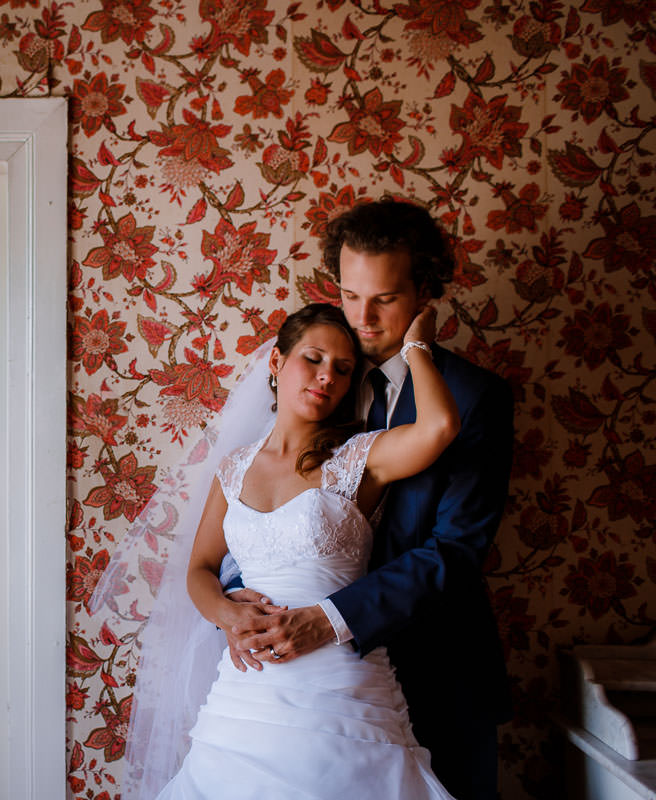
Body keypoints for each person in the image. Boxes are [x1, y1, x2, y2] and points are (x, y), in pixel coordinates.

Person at [220, 199, 513, 799]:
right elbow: (259, 501)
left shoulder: (475, 398)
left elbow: (454, 550)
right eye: (351, 295)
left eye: (384, 298)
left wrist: (331, 620)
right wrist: (237, 606)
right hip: (296, 684)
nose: (364, 318)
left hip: (436, 663)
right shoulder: (319, 377)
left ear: (425, 290)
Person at [140, 298, 459, 799]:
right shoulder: (234, 468)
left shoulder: (359, 456)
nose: (327, 376)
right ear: (276, 363)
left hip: (339, 689)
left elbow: (439, 428)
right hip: (246, 693)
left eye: (343, 368)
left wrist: (416, 346)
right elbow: (200, 569)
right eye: (313, 359)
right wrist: (227, 614)